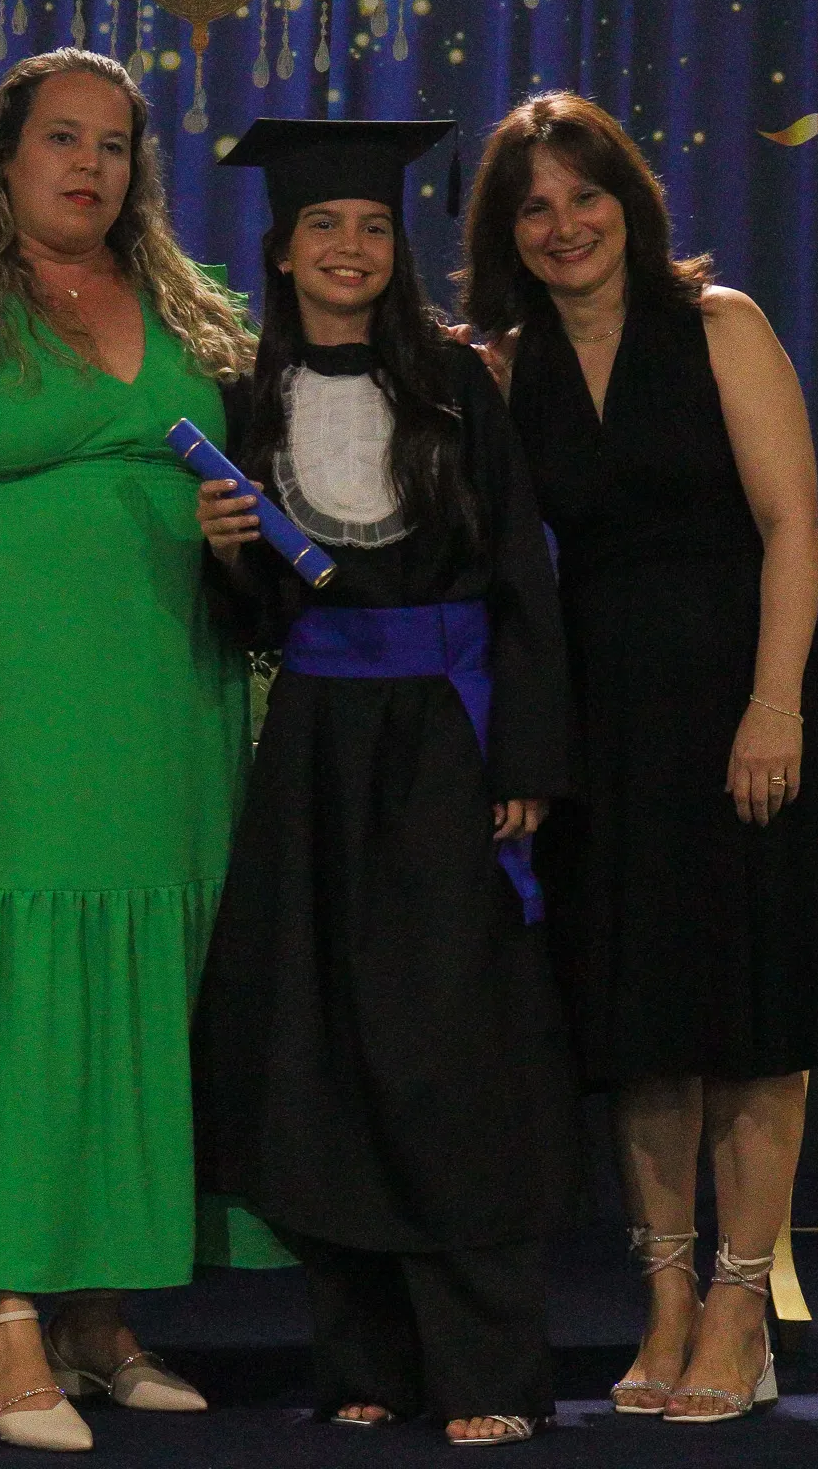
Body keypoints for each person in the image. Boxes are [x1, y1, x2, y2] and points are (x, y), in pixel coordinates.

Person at [0, 47, 283, 1453]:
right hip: (8, 730)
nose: (90, 165)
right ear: (4, 159)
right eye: (63, 139)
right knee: (13, 1007)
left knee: (148, 999)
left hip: (173, 716)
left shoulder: (199, 317)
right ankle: (3, 1325)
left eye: (115, 145)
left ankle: (95, 1315)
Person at [461, 92, 818, 1426]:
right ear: (505, 233)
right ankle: (662, 1302)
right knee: (643, 1029)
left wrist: (773, 708)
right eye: (533, 207)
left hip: (743, 703)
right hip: (604, 726)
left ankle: (739, 1308)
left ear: (628, 204)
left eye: (583, 195)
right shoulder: (508, 368)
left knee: (754, 1024)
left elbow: (793, 525)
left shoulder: (718, 325)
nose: (562, 224)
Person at [191, 117, 576, 1448]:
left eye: (370, 226)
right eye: (323, 227)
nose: (349, 247)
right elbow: (251, 624)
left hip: (449, 739)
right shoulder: (244, 399)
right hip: (316, 746)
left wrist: (524, 756)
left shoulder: (456, 384)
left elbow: (522, 575)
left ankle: (486, 1374)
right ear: (281, 252)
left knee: (452, 1051)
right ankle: (364, 1360)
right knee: (329, 1042)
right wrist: (226, 552)